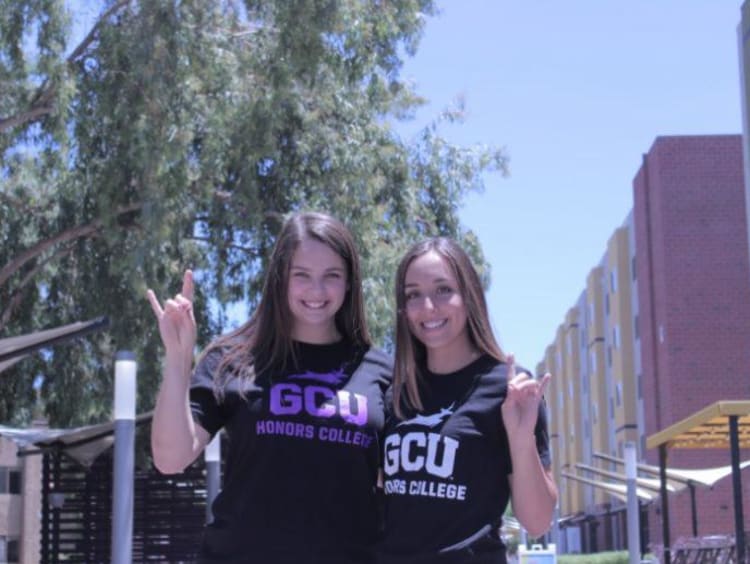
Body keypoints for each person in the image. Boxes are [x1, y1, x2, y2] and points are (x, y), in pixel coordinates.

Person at [147, 212, 392, 564]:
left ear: (350, 282)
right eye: (302, 275)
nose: (317, 290)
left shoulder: (383, 372)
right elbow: (170, 459)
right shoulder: (232, 359)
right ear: (280, 278)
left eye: (332, 276)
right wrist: (178, 356)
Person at [378, 237, 557, 564]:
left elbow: (537, 522)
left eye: (443, 289)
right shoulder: (395, 391)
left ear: (469, 296)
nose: (428, 307)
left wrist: (521, 439)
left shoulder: (508, 390)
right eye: (413, 294)